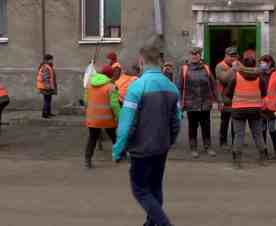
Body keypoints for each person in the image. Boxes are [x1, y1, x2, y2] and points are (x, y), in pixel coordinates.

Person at [113, 45, 180, 226]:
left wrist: (118, 149)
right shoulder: (172, 87)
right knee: (155, 187)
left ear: (141, 62)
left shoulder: (136, 87)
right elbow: (177, 121)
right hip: (161, 146)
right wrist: (169, 140)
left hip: (141, 149)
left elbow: (126, 125)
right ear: (159, 62)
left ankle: (163, 223)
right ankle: (151, 224)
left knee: (140, 190)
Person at [224, 51, 268, 169]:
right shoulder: (260, 77)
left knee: (239, 135)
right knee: (257, 134)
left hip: (238, 110)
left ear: (243, 62)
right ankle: (263, 158)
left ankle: (237, 161)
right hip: (255, 110)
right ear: (254, 63)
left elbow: (228, 94)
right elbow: (264, 94)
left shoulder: (236, 76)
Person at [178, 47, 218, 159]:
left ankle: (208, 146)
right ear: (189, 56)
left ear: (200, 56)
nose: (195, 56)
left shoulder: (206, 68)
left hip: (205, 102)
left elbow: (214, 85)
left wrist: (218, 100)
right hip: (191, 103)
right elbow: (180, 86)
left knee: (206, 126)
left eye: (197, 54)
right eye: (192, 54)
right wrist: (179, 102)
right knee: (192, 126)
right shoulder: (184, 69)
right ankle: (193, 147)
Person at [84, 65, 120, 169]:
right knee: (114, 137)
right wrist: (120, 116)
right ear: (111, 75)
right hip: (107, 118)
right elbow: (114, 105)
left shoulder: (89, 84)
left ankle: (88, 160)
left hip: (93, 117)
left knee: (92, 138)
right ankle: (119, 156)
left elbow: (86, 101)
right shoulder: (111, 86)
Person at [259, 55, 276, 159]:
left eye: (262, 62)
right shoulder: (259, 74)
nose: (261, 64)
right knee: (262, 129)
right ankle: (263, 151)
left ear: (269, 63)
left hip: (272, 107)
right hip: (261, 106)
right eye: (260, 63)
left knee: (272, 129)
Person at [215, 47, 239, 149]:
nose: (232, 58)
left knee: (236, 122)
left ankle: (235, 142)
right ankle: (223, 142)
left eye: (234, 56)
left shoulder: (238, 65)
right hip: (224, 99)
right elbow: (224, 79)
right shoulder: (220, 66)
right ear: (225, 55)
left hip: (236, 98)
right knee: (225, 121)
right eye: (230, 56)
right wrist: (233, 69)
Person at [36, 54, 57, 119]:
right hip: (45, 87)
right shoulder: (45, 67)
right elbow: (46, 78)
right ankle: (45, 114)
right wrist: (48, 87)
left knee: (48, 100)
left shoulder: (48, 66)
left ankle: (48, 112)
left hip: (48, 86)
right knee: (46, 100)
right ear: (48, 60)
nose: (52, 61)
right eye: (51, 59)